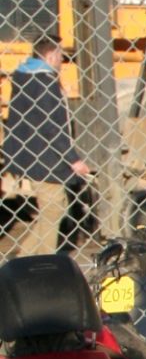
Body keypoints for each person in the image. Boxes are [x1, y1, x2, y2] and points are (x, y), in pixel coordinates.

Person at [2, 38, 91, 258]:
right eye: (60, 54)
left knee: (54, 208)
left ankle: (25, 259)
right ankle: (40, 262)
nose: (62, 59)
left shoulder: (24, 76)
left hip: (30, 154)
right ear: (51, 55)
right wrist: (73, 159)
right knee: (53, 208)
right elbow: (52, 126)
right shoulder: (44, 81)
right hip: (46, 158)